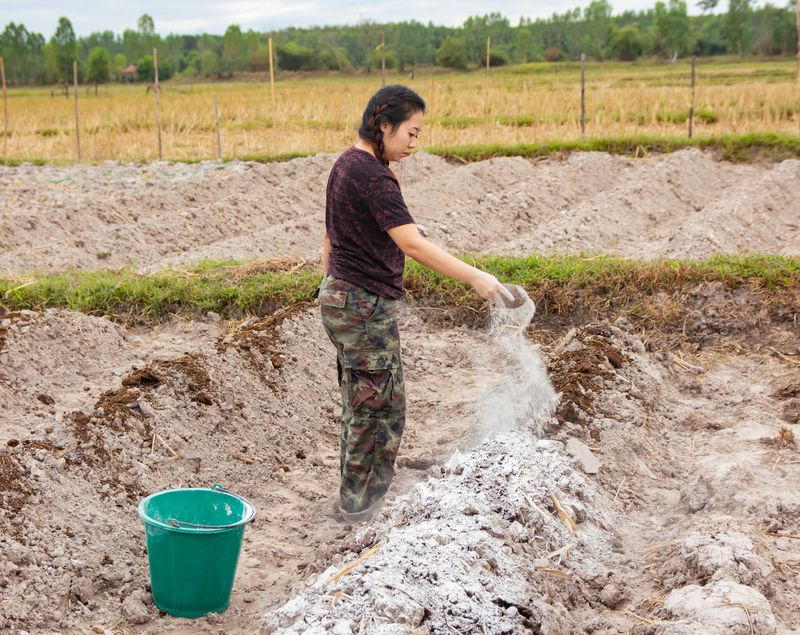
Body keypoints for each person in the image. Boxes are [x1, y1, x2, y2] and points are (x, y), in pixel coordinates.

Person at [319, 84, 511, 522]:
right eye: (411, 132)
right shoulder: (374, 176)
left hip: (341, 297)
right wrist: (477, 277)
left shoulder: (345, 165)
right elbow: (413, 245)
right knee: (381, 410)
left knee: (361, 401)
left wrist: (331, 285)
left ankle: (354, 498)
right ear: (383, 125)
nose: (414, 143)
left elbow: (331, 236)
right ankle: (362, 508)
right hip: (362, 306)